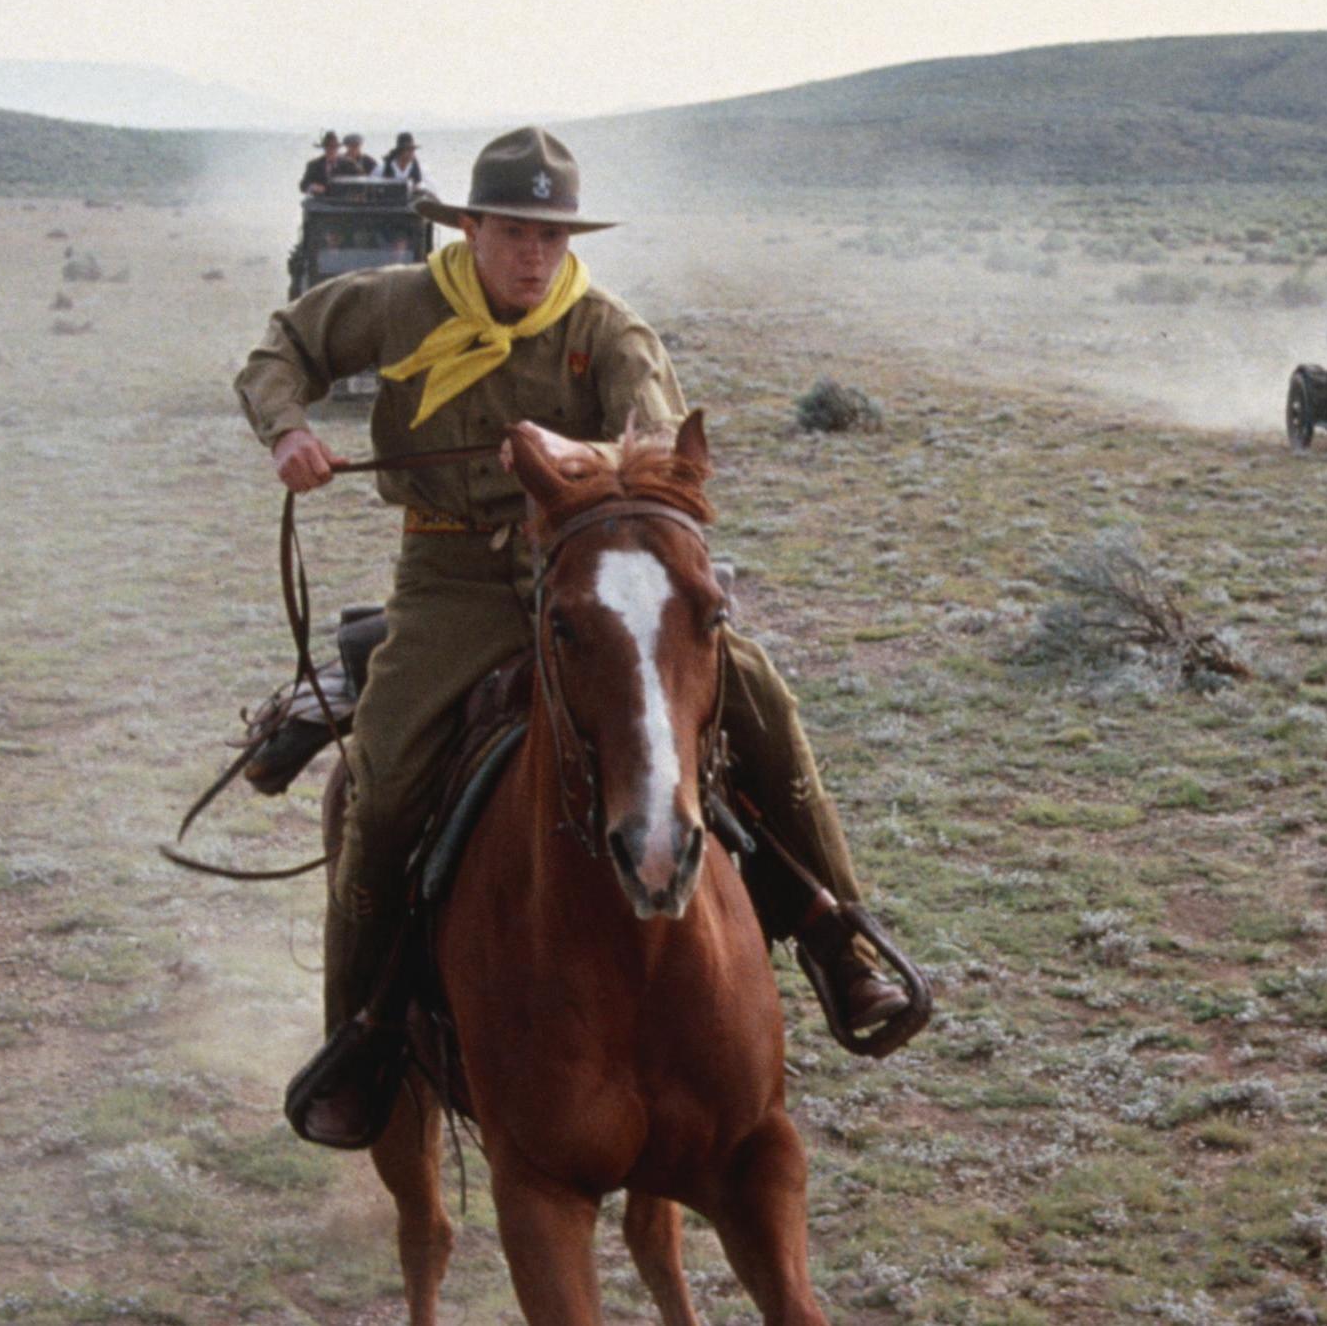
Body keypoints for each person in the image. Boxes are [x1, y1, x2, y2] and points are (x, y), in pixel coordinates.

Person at [235, 126, 911, 1146]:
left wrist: (576, 452)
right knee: (380, 791)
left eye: (551, 236)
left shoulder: (606, 329)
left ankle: (836, 940)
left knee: (757, 695)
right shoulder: (395, 302)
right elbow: (280, 349)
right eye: (514, 232)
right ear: (470, 228)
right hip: (454, 577)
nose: (534, 256)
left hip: (596, 570)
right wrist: (286, 427)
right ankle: (361, 1042)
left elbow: (657, 444)